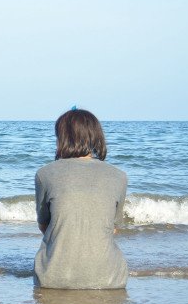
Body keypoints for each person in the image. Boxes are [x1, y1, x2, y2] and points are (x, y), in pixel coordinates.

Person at [34, 108, 128, 289]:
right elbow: (113, 228)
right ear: (96, 136)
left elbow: (44, 225)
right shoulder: (119, 176)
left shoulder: (44, 174)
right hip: (109, 279)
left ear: (62, 138)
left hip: (53, 279)